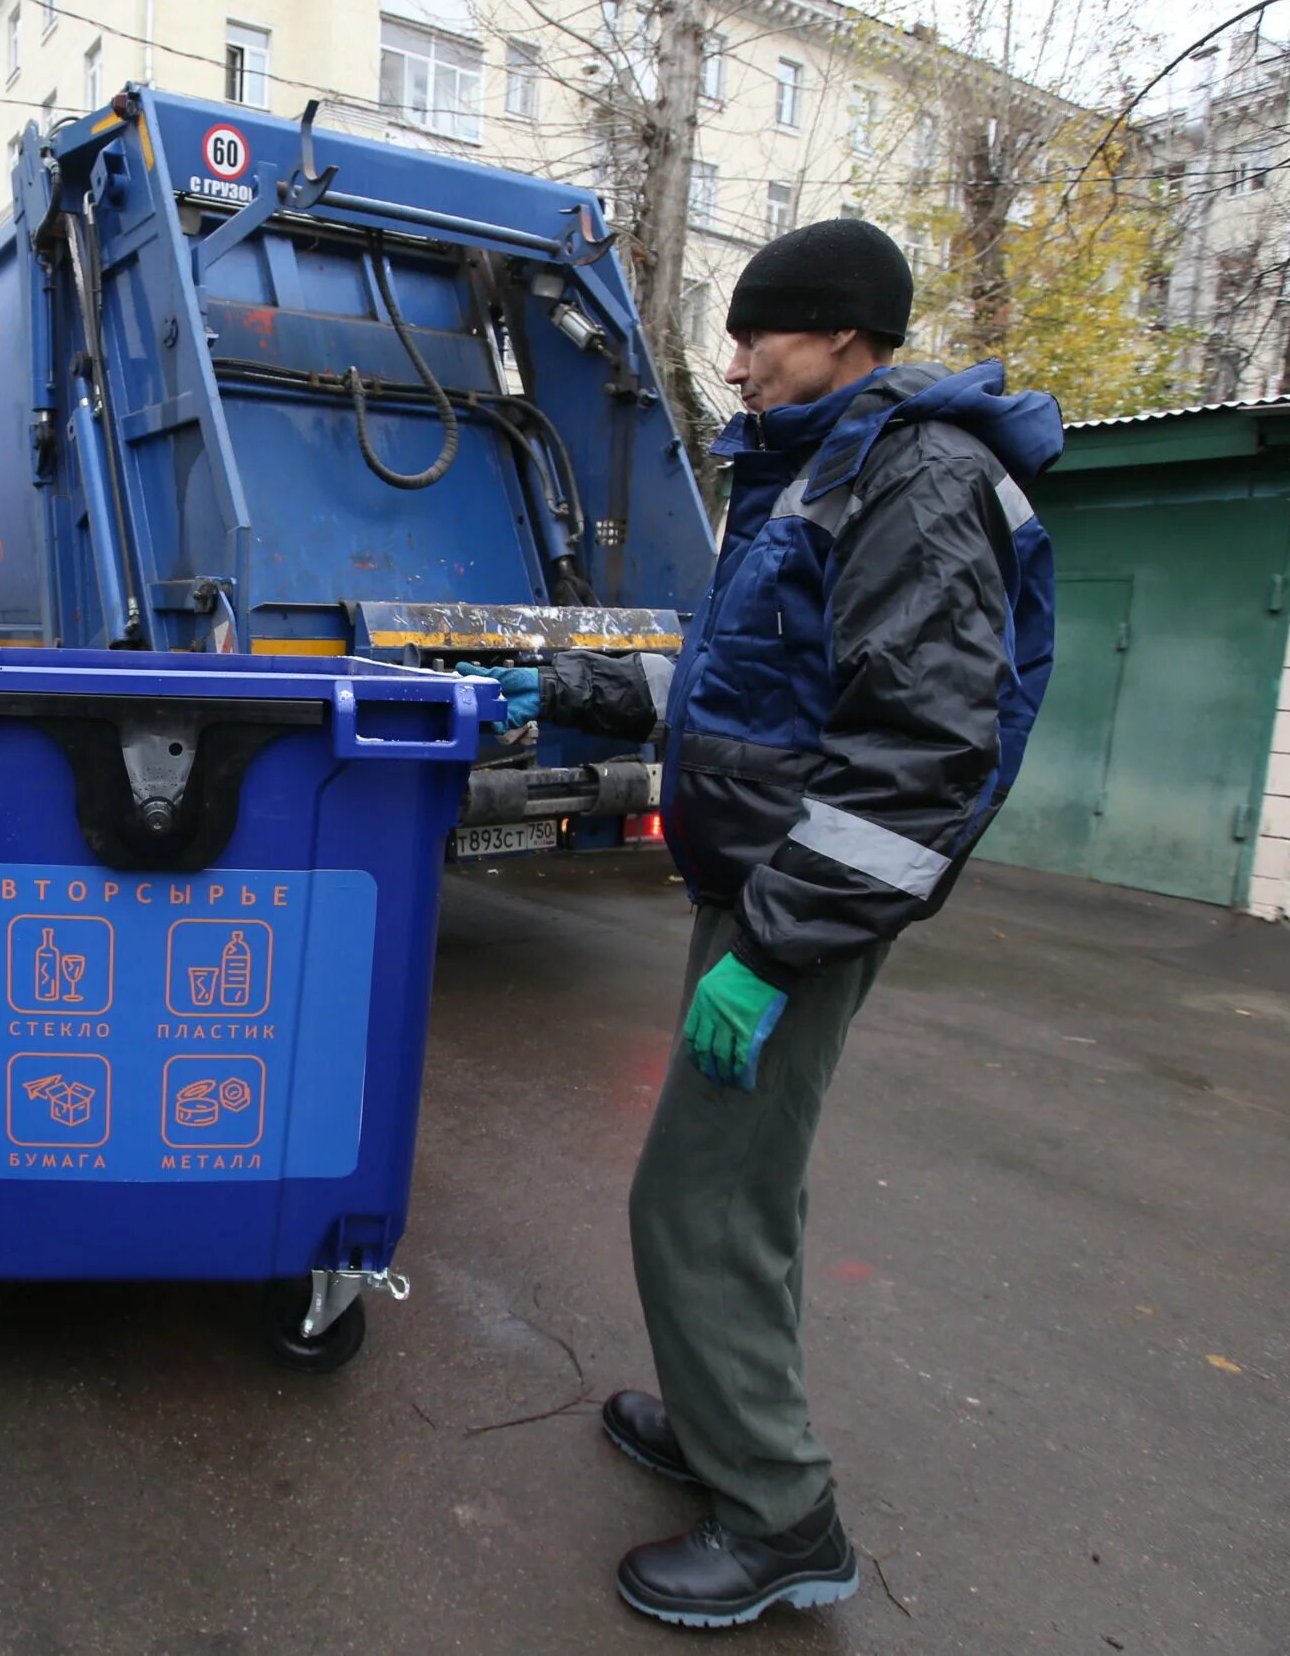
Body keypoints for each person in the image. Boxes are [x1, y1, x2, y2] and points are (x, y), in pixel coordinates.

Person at [463, 218, 1062, 1629]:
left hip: (795, 910)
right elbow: (753, 688)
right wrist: (584, 690)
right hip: (757, 886)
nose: (736, 361)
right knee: (742, 1186)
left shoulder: (915, 480)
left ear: (848, 333)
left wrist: (779, 948)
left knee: (700, 1192)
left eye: (761, 334)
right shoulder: (817, 468)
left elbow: (921, 754)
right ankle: (719, 1413)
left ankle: (782, 1512)